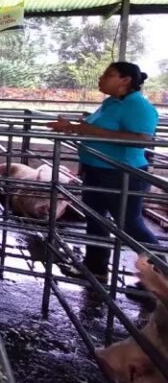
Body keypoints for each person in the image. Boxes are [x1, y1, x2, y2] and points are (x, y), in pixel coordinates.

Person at [48, 62, 159, 292]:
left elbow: (143, 139)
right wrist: (72, 127)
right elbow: (93, 128)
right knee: (95, 219)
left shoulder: (139, 106)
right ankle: (95, 267)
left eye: (108, 75)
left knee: (131, 226)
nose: (101, 78)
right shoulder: (111, 103)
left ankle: (159, 279)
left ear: (125, 80)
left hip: (122, 174)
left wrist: (84, 129)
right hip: (96, 171)